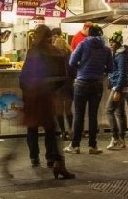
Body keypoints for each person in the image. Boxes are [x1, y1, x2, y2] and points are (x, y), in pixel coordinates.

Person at [19, 25, 74, 178]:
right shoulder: (56, 52)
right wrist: (53, 89)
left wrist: (26, 90)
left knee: (32, 128)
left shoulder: (32, 53)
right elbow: (64, 76)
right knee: (51, 129)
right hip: (47, 96)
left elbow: (24, 77)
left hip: (33, 97)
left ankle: (34, 158)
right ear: (50, 37)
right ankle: (52, 159)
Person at [65, 25, 114, 155]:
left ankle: (75, 146)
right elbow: (110, 68)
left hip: (81, 83)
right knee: (93, 116)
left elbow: (72, 62)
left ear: (89, 34)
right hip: (97, 84)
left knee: (79, 115)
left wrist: (81, 67)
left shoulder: (82, 44)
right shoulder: (106, 49)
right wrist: (100, 70)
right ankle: (93, 146)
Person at [106, 31, 128, 150]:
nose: (110, 44)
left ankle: (115, 138)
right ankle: (121, 139)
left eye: (112, 42)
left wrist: (118, 90)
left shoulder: (121, 55)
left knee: (109, 110)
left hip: (119, 87)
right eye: (110, 42)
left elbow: (123, 73)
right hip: (121, 86)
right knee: (120, 113)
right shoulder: (118, 54)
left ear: (118, 43)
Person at [51, 28, 74, 140]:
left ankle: (63, 132)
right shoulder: (71, 55)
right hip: (69, 84)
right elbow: (74, 71)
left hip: (58, 85)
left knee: (59, 110)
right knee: (68, 109)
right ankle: (71, 131)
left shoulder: (54, 57)